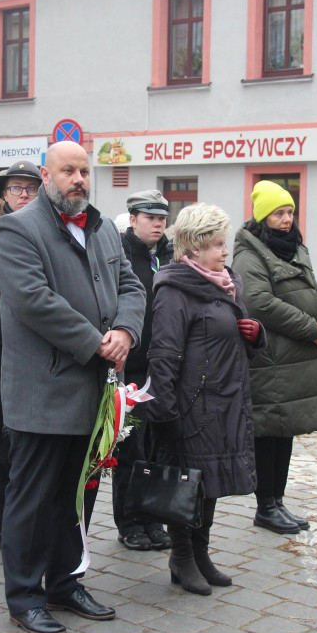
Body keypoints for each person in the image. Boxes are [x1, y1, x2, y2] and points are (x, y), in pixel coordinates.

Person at [0, 141, 145, 633]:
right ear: (45, 174)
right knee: (32, 498)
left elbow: (132, 287)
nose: (78, 179)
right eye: (68, 171)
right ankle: (24, 596)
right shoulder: (16, 228)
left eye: (84, 170)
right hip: (45, 391)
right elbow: (32, 300)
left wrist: (125, 331)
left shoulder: (100, 228)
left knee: (77, 499)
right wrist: (96, 342)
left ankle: (65, 581)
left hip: (95, 392)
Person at [147, 203, 262, 596]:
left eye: (224, 242)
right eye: (216, 244)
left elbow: (232, 332)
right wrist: (164, 408)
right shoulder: (174, 288)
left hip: (224, 399)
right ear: (193, 248)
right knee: (188, 482)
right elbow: (163, 351)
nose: (225, 251)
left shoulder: (225, 282)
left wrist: (253, 334)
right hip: (191, 404)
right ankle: (181, 557)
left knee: (208, 481)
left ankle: (201, 553)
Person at [233, 181, 317, 536]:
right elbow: (259, 303)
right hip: (272, 361)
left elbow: (316, 290)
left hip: (298, 359)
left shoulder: (296, 249)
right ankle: (265, 506)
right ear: (263, 217)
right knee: (268, 433)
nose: (287, 219)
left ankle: (278, 501)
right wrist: (311, 328)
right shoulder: (249, 255)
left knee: (286, 431)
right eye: (279, 213)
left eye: (290, 212)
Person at [0, 162, 41, 528]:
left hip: (37, 341)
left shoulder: (42, 226)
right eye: (16, 189)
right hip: (4, 342)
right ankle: (6, 523)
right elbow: (3, 286)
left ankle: (28, 518)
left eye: (31, 189)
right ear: (3, 193)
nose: (24, 195)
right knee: (4, 433)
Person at [112, 189, 174, 552]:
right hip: (132, 372)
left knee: (158, 450)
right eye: (150, 218)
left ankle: (155, 517)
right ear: (133, 219)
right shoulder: (120, 255)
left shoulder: (168, 255)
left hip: (163, 370)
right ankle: (130, 521)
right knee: (130, 449)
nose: (157, 224)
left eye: (162, 219)